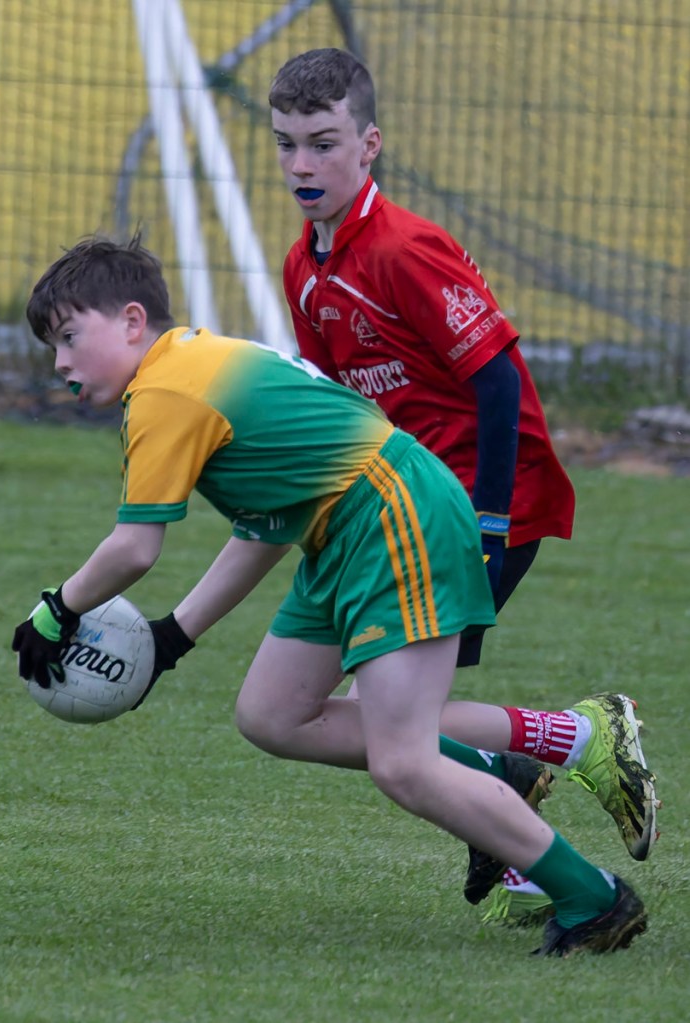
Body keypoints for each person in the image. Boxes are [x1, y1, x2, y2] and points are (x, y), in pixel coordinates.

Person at [11, 233, 647, 956]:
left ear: (132, 321)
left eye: (69, 337)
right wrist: (172, 638)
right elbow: (267, 526)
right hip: (346, 527)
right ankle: (498, 771)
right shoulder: (190, 362)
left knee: (404, 762)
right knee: (273, 714)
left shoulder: (162, 391)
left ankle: (593, 896)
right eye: (52, 348)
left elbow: (134, 547)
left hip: (391, 517)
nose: (60, 363)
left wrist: (57, 608)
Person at [267, 48, 657, 920]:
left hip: (482, 500)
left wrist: (488, 521)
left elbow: (500, 382)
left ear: (369, 145)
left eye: (323, 143)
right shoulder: (304, 267)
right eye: (287, 143)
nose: (302, 164)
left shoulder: (406, 249)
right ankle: (572, 746)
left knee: (393, 720)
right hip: (401, 510)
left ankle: (537, 828)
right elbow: (343, 408)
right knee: (374, 714)